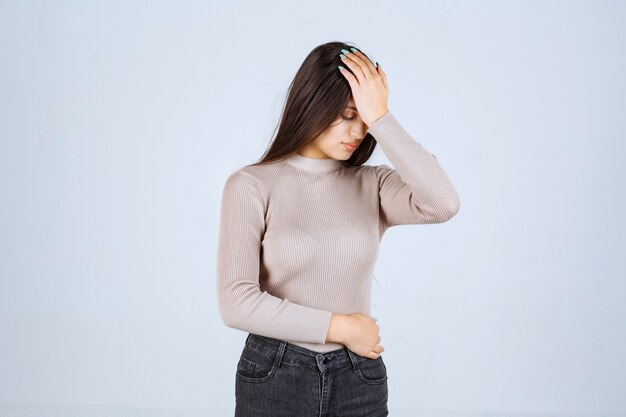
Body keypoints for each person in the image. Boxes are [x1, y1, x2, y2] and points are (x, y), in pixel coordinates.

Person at [215, 41, 460, 417]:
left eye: (364, 118)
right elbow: (236, 302)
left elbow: (443, 203)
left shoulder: (373, 185)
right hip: (277, 373)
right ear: (311, 104)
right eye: (347, 114)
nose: (359, 130)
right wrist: (340, 327)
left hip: (358, 375)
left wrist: (382, 117)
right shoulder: (251, 184)